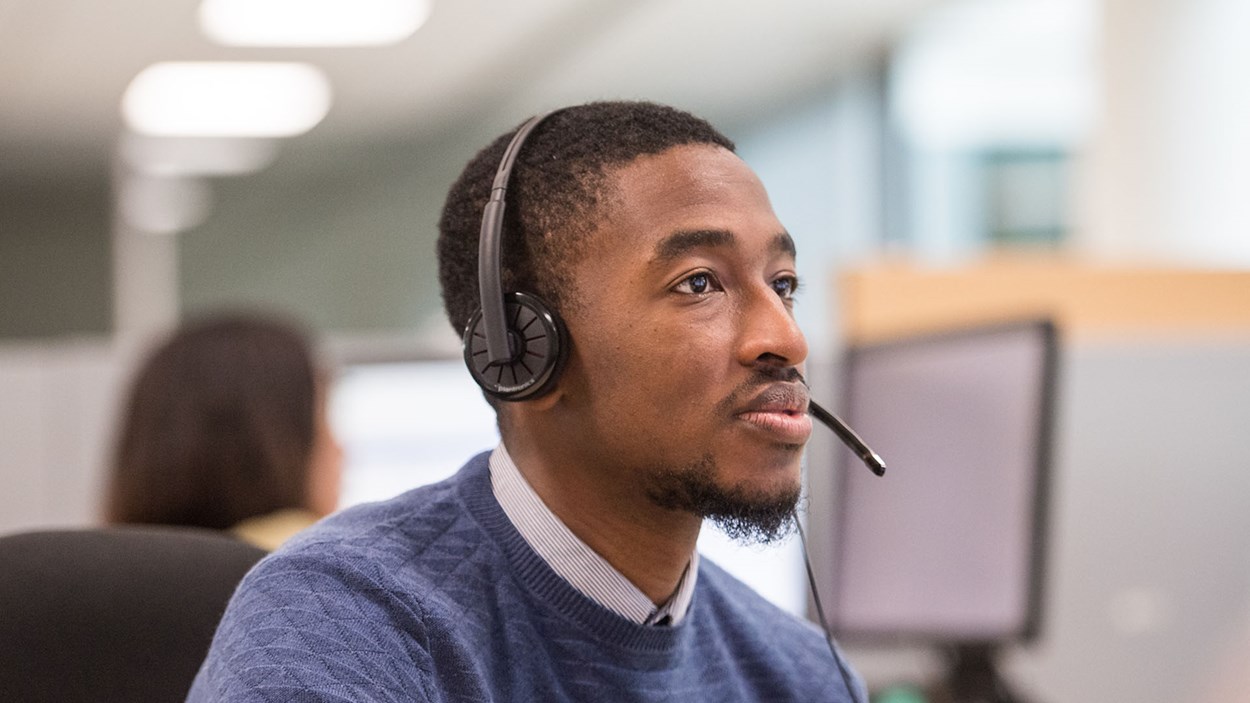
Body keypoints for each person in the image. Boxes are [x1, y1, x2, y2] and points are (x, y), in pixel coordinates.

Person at [189, 101, 866, 701]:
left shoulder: (802, 674)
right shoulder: (341, 621)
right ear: (523, 349)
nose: (786, 336)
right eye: (698, 284)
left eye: (783, 282)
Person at [105, 312, 343, 551]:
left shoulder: (107, 569)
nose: (340, 448)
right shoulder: (315, 561)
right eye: (323, 420)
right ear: (269, 447)